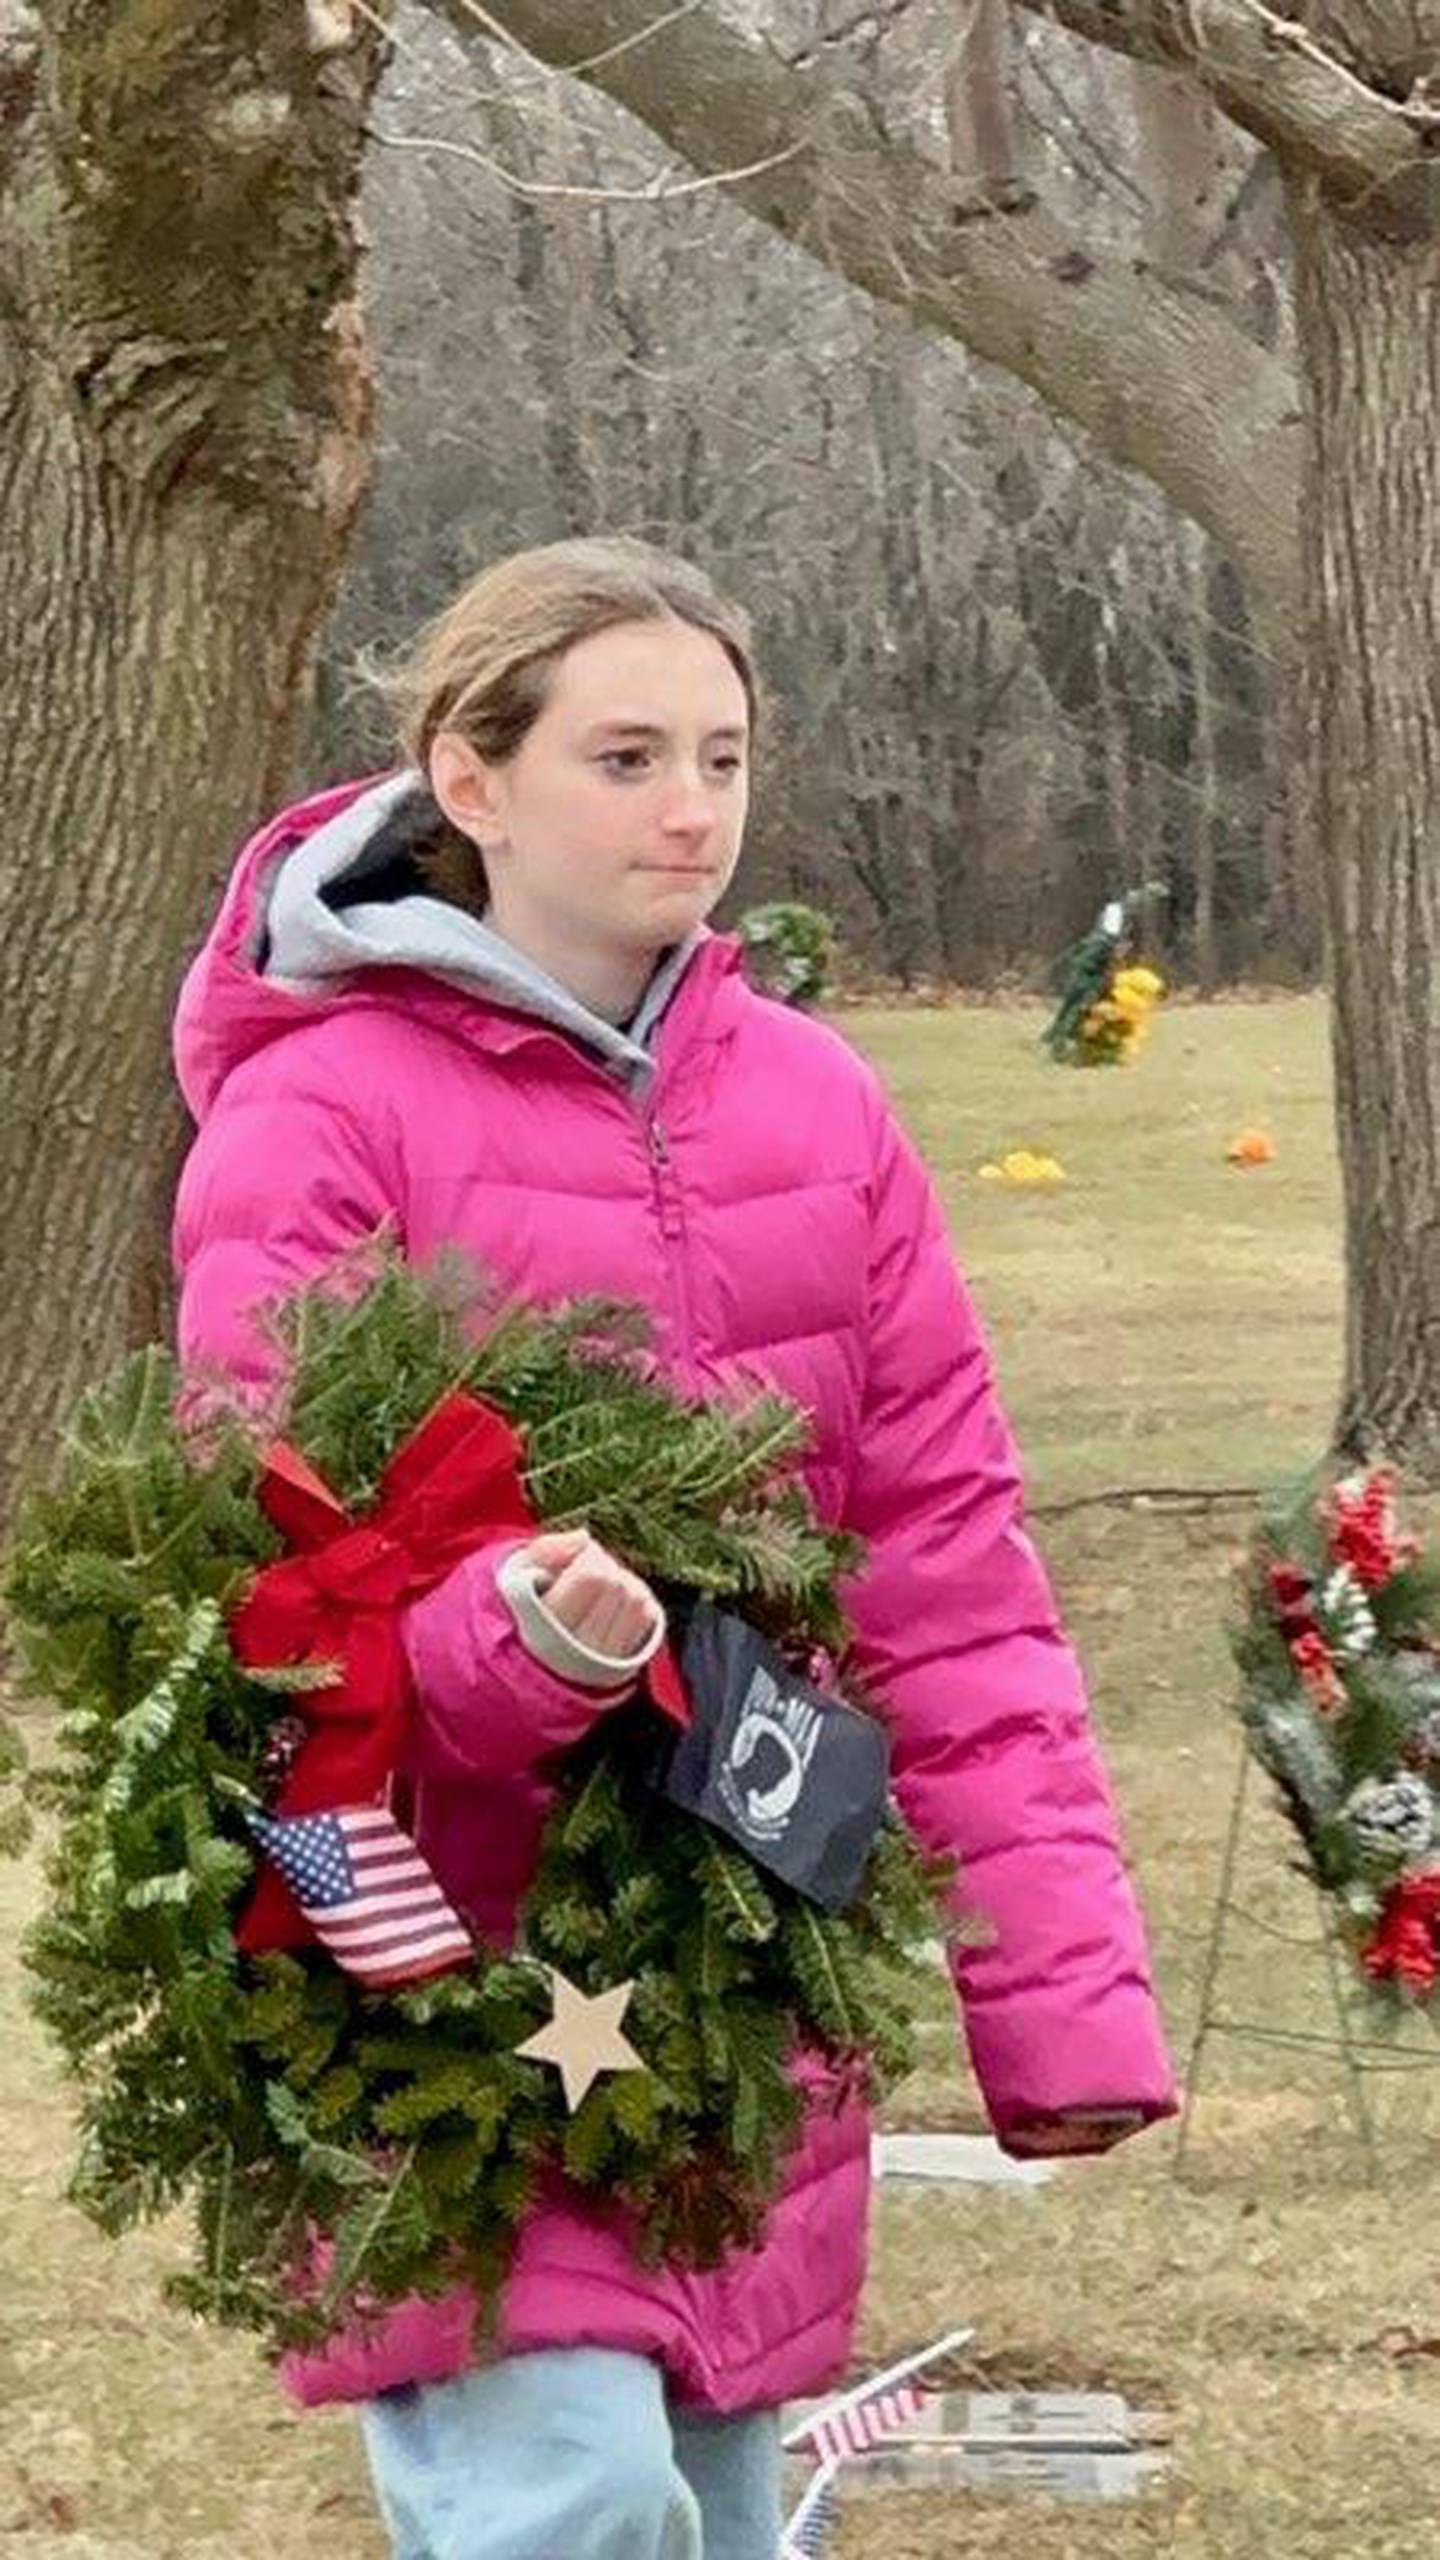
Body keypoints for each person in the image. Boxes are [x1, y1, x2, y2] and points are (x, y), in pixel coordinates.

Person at [171, 534, 1176, 2560]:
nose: (691, 808)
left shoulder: (819, 1105)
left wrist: (1057, 1991)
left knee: (711, 2506)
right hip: (434, 1937)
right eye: (624, 755)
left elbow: (948, 1569)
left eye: (721, 753)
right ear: (473, 774)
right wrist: (521, 1633)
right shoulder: (319, 1115)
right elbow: (268, 1542)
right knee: (570, 2494)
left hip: (730, 1950)